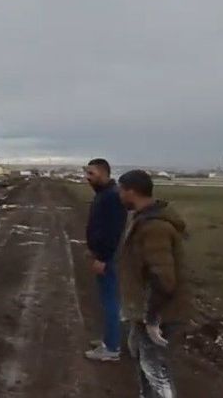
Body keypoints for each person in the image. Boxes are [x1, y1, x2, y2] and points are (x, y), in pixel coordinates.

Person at [117, 169, 191, 398]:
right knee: (143, 361)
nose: (119, 195)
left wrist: (151, 319)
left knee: (155, 369)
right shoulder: (143, 219)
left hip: (159, 312)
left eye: (121, 190)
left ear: (131, 191)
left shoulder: (154, 227)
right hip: (146, 308)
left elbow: (164, 279)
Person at [83, 158, 128, 362]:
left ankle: (111, 348)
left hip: (107, 258)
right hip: (103, 254)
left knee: (110, 301)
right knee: (107, 299)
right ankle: (109, 339)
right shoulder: (104, 194)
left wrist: (102, 256)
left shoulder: (111, 196)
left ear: (103, 172)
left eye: (91, 174)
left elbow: (112, 231)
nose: (87, 177)